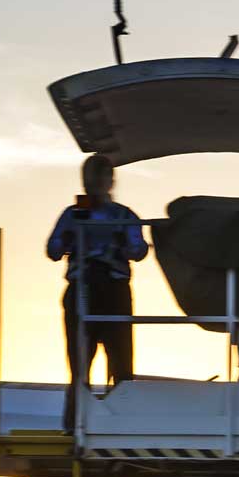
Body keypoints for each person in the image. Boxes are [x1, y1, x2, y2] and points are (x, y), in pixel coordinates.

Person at [46, 153, 148, 427]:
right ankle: (76, 424)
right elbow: (53, 248)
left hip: (114, 292)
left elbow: (139, 249)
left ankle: (122, 423)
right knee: (79, 364)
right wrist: (70, 239)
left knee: (121, 364)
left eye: (103, 177)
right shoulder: (74, 214)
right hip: (82, 292)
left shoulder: (122, 215)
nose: (99, 183)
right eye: (94, 177)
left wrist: (121, 246)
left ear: (110, 181)